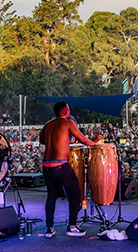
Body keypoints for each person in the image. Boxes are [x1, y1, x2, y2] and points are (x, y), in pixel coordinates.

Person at [39, 101, 101, 238]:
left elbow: (42, 141)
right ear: (66, 111)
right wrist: (94, 142)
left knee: (51, 197)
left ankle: (49, 228)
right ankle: (72, 226)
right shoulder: (68, 123)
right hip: (61, 165)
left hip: (47, 166)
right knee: (76, 194)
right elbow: (84, 141)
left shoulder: (47, 125)